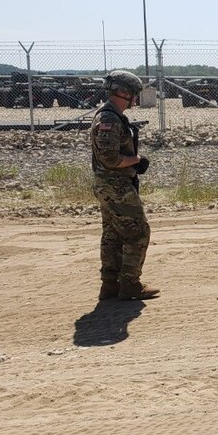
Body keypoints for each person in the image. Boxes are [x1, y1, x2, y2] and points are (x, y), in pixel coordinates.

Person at [91, 70, 158, 301]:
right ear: (123, 92)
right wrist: (137, 161)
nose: (136, 99)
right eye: (134, 93)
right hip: (115, 185)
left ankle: (110, 285)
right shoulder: (109, 118)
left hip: (109, 185)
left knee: (112, 234)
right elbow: (110, 158)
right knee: (137, 232)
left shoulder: (110, 115)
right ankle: (129, 284)